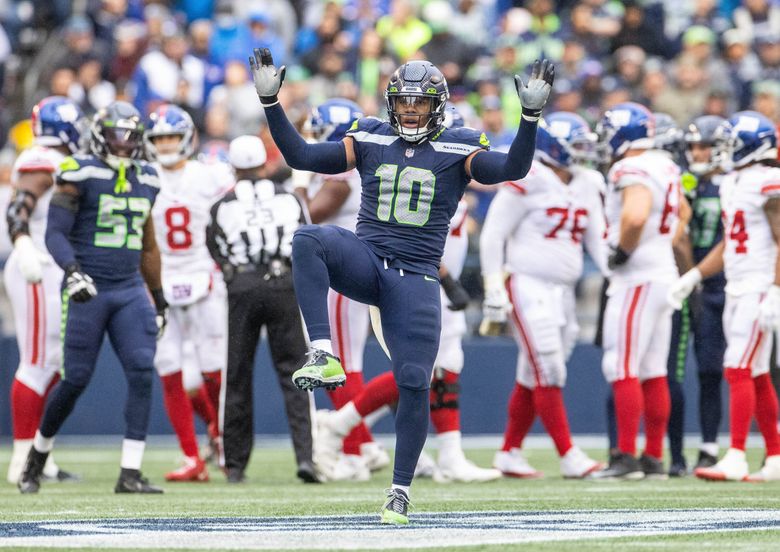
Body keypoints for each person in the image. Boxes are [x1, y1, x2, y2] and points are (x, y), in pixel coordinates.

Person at [249, 47, 553, 523]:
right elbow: (303, 155)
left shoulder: (460, 144)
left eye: (420, 102)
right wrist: (272, 104)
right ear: (392, 102)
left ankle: (399, 489)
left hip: (415, 277)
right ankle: (323, 351)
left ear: (439, 105)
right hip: (367, 258)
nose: (410, 109)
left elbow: (512, 169)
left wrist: (530, 118)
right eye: (404, 101)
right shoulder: (369, 134)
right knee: (309, 238)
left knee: (415, 381)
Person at [18, 101, 168, 494]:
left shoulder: (148, 178)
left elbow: (148, 246)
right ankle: (37, 454)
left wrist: (159, 297)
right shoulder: (77, 171)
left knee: (140, 369)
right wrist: (72, 271)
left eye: (132, 137)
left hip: (129, 288)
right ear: (101, 137)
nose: (125, 144)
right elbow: (54, 233)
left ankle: (130, 472)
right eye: (118, 135)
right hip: (89, 286)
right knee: (75, 379)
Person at [480, 112, 606, 480]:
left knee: (534, 373)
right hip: (527, 283)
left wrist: (617, 272)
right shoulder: (529, 177)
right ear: (554, 147)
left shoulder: (588, 181)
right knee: (549, 367)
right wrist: (492, 285)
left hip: (564, 292)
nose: (584, 153)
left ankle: (509, 453)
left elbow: (597, 239)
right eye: (577, 146)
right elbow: (493, 235)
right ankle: (569, 454)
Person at [669, 111, 780, 482]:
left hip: (760, 286)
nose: (722, 150)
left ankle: (734, 454)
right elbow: (730, 243)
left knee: (736, 367)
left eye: (730, 143)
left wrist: (776, 291)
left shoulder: (768, 180)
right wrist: (695, 275)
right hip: (737, 283)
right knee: (758, 374)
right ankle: (776, 456)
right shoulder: (735, 181)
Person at [206, 135, 316, 484]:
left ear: (234, 168)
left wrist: (234, 273)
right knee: (297, 372)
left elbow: (216, 246)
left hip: (243, 286)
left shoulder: (223, 204)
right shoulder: (288, 198)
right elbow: (306, 237)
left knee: (237, 375)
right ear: (265, 164)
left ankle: (235, 464)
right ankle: (306, 458)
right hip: (283, 283)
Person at [295, 98, 390, 482]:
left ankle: (351, 451)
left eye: (320, 132)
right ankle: (364, 444)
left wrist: (300, 182)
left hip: (339, 275)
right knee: (349, 365)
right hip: (358, 270)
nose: (315, 140)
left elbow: (305, 216)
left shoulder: (341, 178)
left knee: (341, 365)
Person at [589, 103, 680, 481]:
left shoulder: (631, 167)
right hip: (664, 273)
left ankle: (626, 456)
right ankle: (653, 456)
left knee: (622, 365)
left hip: (638, 277)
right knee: (653, 369)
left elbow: (637, 214)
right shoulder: (667, 164)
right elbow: (682, 217)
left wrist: (622, 252)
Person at [145, 104, 233, 482]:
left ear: (186, 138)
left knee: (213, 370)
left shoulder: (210, 174)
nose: (165, 145)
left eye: (170, 137)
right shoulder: (144, 177)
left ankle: (221, 439)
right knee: (169, 371)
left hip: (204, 274)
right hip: (160, 278)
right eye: (159, 138)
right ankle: (191, 457)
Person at [4, 96, 83, 485]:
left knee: (54, 361)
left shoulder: (59, 159)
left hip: (55, 269)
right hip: (36, 266)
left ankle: (40, 456)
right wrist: (22, 246)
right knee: (35, 363)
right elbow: (18, 208)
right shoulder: (41, 159)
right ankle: (21, 460)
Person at [681, 115, 729, 471]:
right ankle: (710, 444)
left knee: (761, 369)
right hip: (699, 285)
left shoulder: (735, 182)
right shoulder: (684, 182)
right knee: (709, 370)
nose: (697, 153)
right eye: (693, 146)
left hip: (737, 282)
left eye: (704, 146)